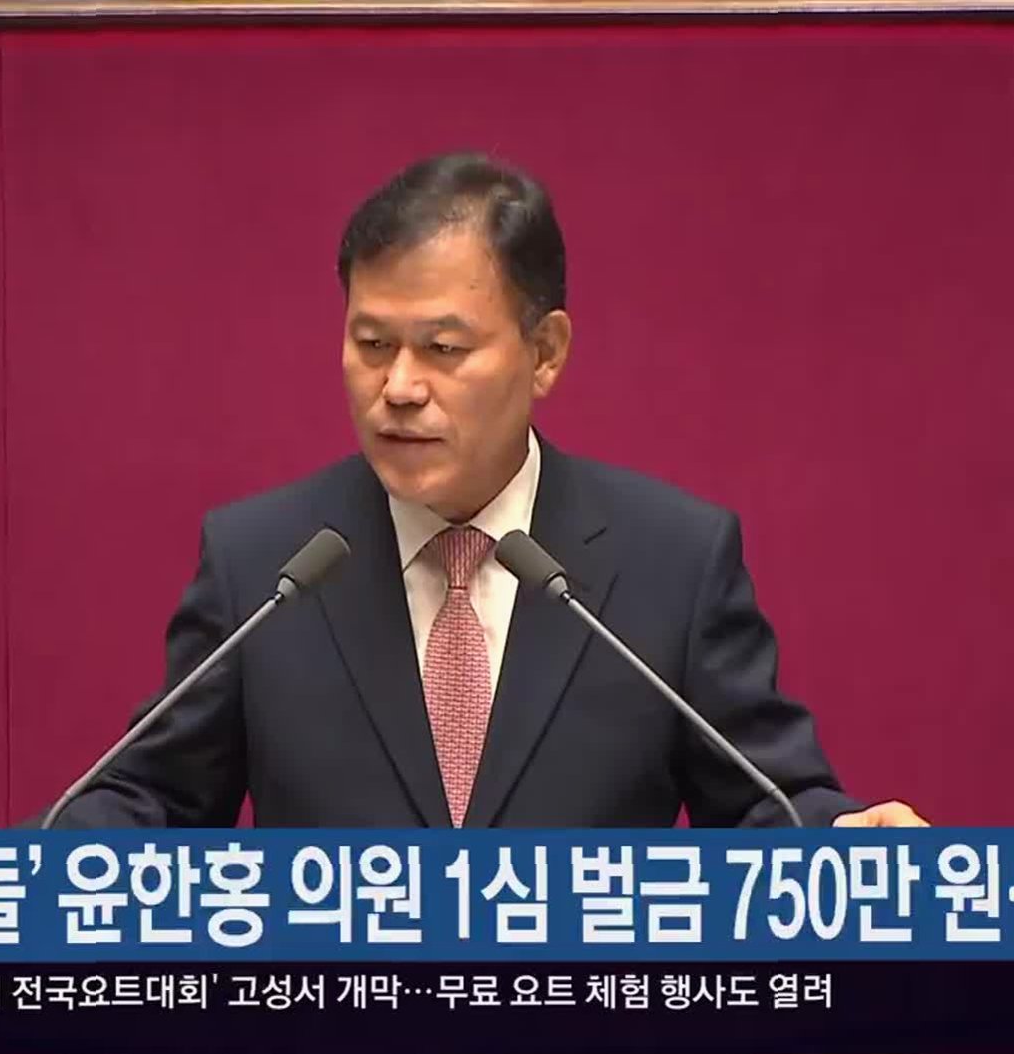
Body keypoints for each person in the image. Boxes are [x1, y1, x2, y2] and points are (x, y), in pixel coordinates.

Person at [51, 152, 926, 830]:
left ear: (544, 353)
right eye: (370, 344)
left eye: (443, 349)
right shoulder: (263, 566)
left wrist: (844, 838)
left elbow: (769, 807)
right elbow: (149, 799)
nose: (398, 387)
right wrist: (53, 857)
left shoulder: (672, 563)